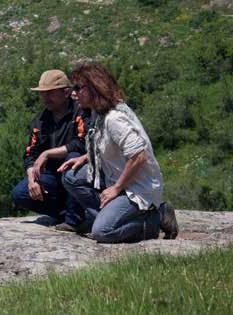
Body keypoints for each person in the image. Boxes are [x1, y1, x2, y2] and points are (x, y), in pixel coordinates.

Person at [59, 62, 178, 243]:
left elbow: (139, 155)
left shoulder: (114, 118)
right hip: (117, 177)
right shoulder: (99, 113)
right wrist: (85, 158)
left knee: (102, 232)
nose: (74, 93)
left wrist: (116, 188)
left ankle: (154, 219)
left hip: (136, 186)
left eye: (78, 88)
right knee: (71, 177)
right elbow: (106, 145)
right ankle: (112, 215)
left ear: (94, 88)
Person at [11, 70, 91, 230]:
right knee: (19, 193)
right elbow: (29, 154)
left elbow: (82, 144)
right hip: (53, 177)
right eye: (42, 94)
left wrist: (47, 153)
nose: (45, 98)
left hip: (80, 175)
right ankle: (68, 214)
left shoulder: (80, 112)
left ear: (66, 92)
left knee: (73, 158)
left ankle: (74, 221)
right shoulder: (40, 120)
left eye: (50, 93)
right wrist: (32, 177)